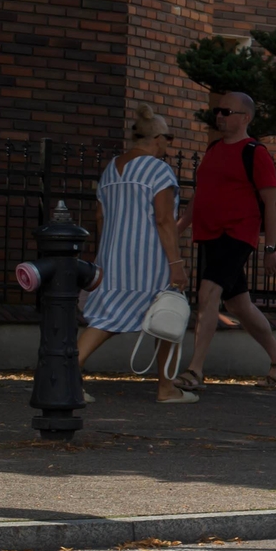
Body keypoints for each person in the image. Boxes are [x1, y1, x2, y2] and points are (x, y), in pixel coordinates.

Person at [77, 104, 195, 403]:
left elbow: (100, 216)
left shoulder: (111, 169)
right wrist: (176, 264)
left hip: (114, 257)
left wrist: (106, 253)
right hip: (150, 259)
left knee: (104, 317)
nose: (169, 144)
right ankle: (166, 388)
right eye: (168, 137)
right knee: (167, 315)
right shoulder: (158, 169)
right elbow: (164, 220)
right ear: (157, 138)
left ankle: (64, 375)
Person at [183, 90, 276, 391]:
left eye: (227, 112)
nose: (219, 116)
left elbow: (272, 203)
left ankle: (194, 370)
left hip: (237, 234)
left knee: (208, 293)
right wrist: (178, 227)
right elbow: (200, 195)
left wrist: (271, 248)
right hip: (210, 234)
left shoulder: (255, 152)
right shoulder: (213, 149)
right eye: (218, 111)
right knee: (238, 305)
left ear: (245, 117)